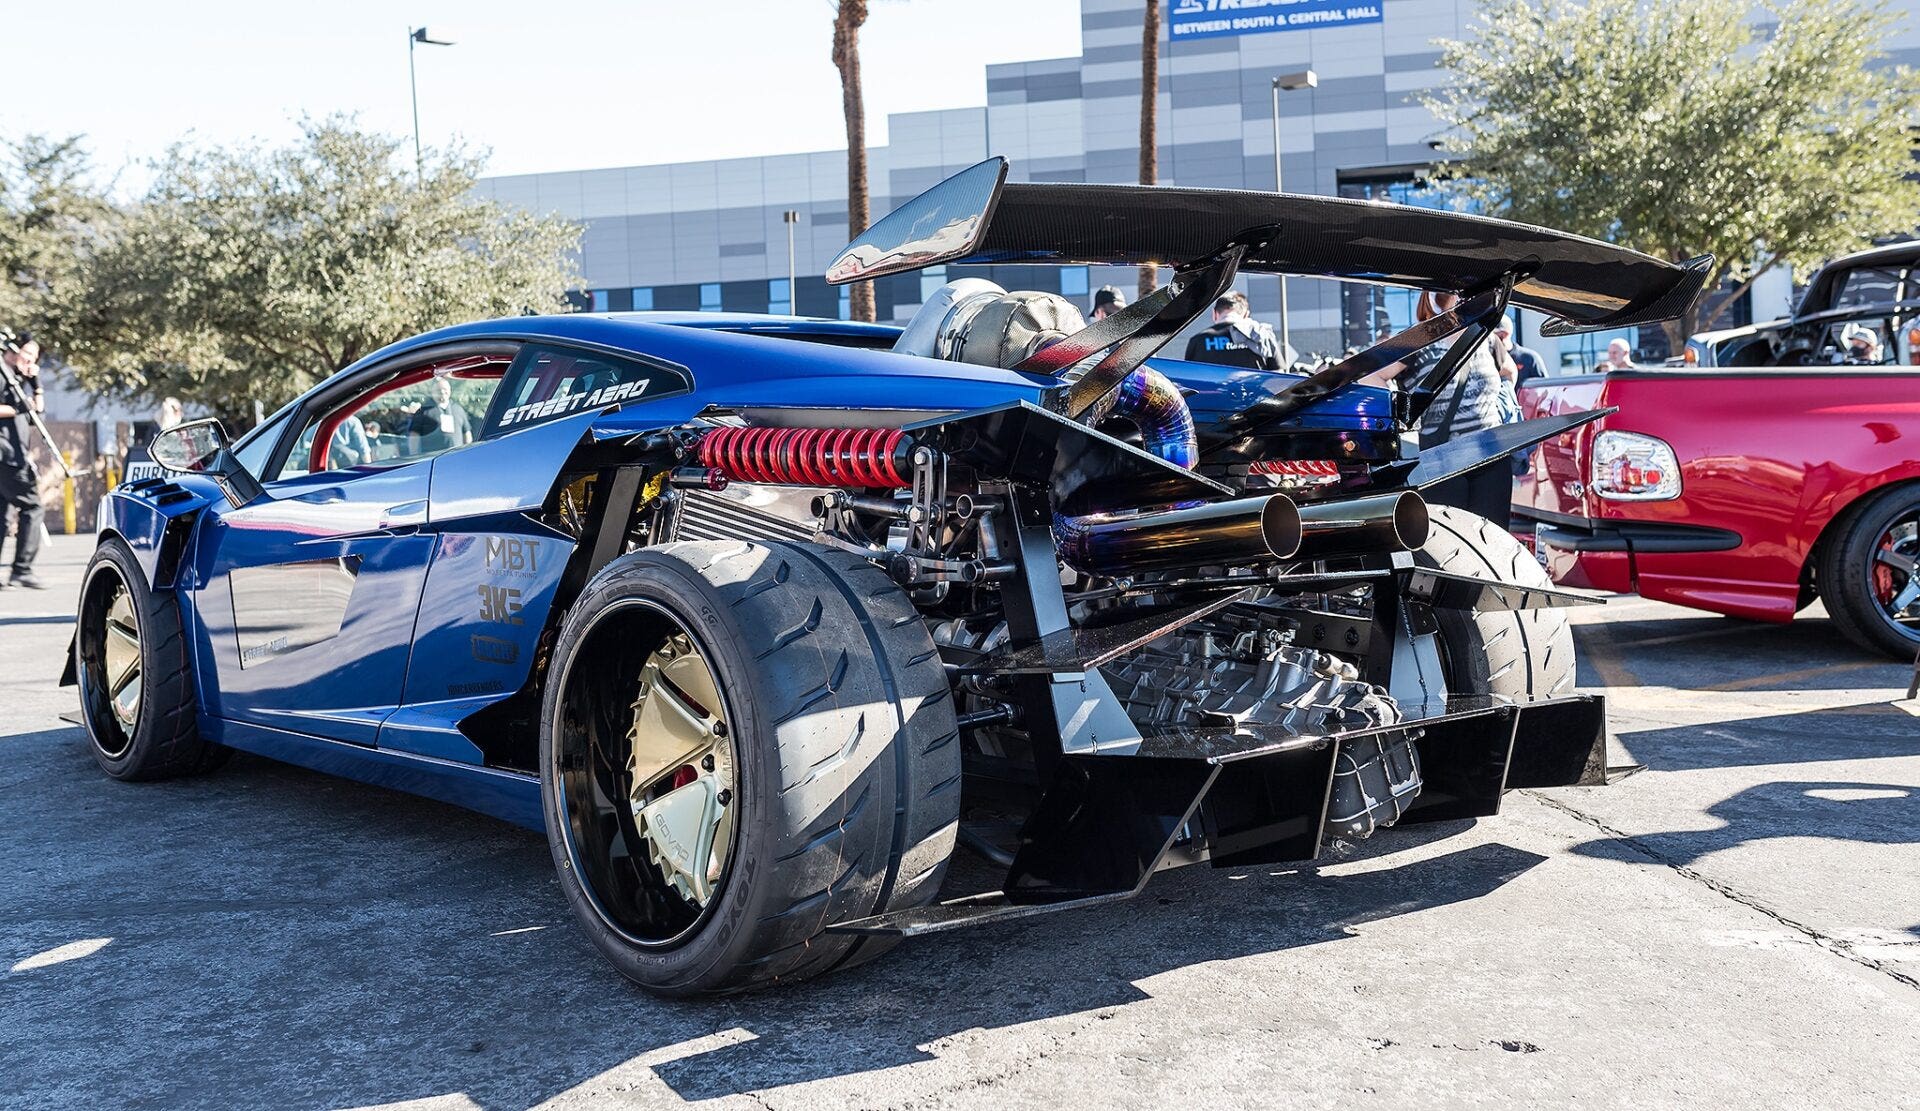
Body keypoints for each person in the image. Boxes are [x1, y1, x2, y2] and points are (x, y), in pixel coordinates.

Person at [1361, 292, 1517, 522]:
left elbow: (1510, 371)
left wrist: (1498, 403)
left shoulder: (1486, 337)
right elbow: (1369, 375)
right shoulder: (1420, 337)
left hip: (1491, 455)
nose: (1461, 297)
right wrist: (1401, 409)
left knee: (1494, 539)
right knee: (1452, 537)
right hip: (1442, 458)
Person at [0, 332, 47, 589]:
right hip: (5, 454)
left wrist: (35, 381)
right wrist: (20, 408)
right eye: (28, 354)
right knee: (32, 506)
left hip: (15, 453)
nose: (31, 360)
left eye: (35, 357)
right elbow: (22, 409)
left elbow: (38, 409)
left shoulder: (17, 379)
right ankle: (22, 569)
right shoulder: (1, 373)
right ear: (13, 349)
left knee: (2, 516)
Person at [1184, 291, 1285, 370]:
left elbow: (1188, 379)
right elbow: (1279, 377)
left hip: (1214, 396)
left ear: (1214, 314)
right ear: (1246, 315)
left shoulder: (1198, 341)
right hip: (1255, 395)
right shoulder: (1262, 335)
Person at [399, 377, 473, 455]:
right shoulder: (423, 411)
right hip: (432, 460)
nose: (442, 392)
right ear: (432, 392)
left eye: (445, 389)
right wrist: (414, 456)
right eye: (438, 390)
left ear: (450, 391)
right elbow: (414, 436)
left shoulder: (458, 409)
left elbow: (467, 434)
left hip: (456, 458)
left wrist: (467, 454)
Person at [1497, 316, 1545, 386]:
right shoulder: (1486, 359)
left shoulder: (1529, 358)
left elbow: (1543, 390)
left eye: (1491, 335)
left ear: (1504, 335)